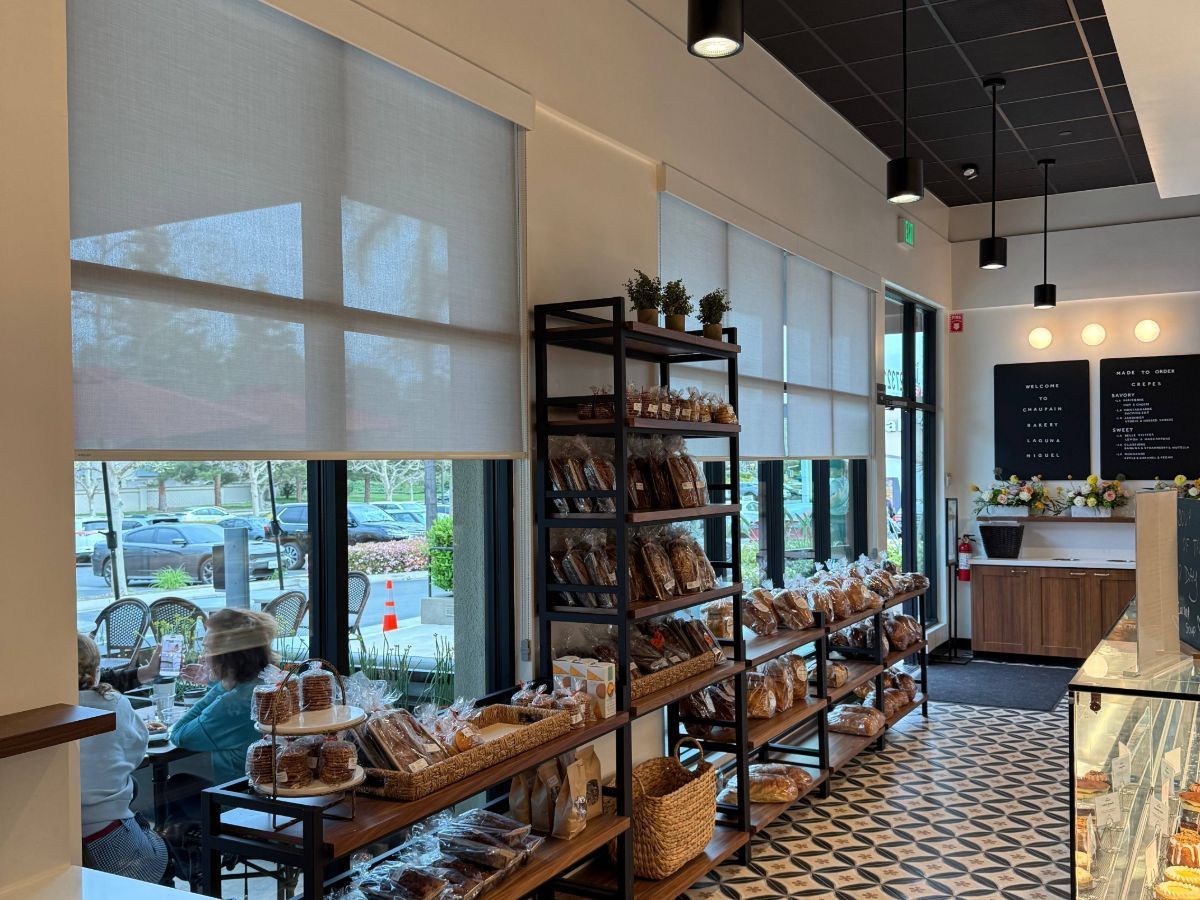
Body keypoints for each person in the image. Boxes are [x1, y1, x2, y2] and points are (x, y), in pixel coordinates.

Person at [77, 634, 171, 884]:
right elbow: (137, 752)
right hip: (108, 834)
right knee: (160, 852)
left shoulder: (38, 705)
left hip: (55, 834)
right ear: (97, 671)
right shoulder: (114, 703)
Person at [168, 607, 277, 785]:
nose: (203, 657)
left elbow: (180, 734)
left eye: (208, 649)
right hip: (271, 792)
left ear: (227, 657)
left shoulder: (234, 703)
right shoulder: (266, 685)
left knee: (176, 784)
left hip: (239, 801)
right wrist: (217, 683)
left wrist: (221, 686)